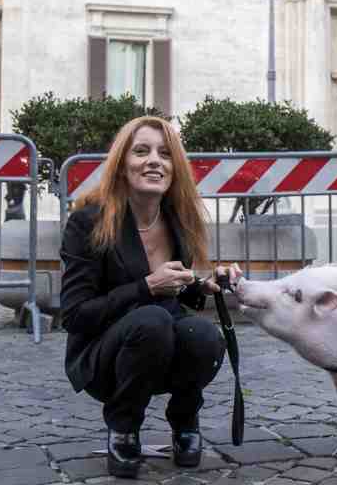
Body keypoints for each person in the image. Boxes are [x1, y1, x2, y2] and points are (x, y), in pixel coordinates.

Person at [60, 116, 242, 478]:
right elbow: (75, 315)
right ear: (122, 164)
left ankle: (185, 421)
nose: (154, 161)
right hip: (105, 356)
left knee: (203, 334)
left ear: (176, 167)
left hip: (158, 345)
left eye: (164, 153)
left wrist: (202, 283)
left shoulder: (178, 219)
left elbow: (171, 288)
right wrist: (146, 286)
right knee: (152, 319)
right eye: (141, 151)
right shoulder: (88, 222)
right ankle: (124, 427)